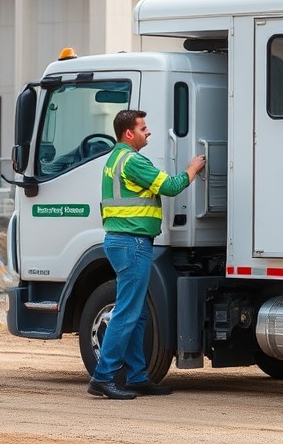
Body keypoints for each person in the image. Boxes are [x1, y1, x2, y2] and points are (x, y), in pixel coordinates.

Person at [87, 109, 206, 400]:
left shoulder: (114, 159)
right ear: (129, 133)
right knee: (127, 313)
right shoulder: (133, 161)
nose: (148, 132)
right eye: (143, 128)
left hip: (121, 241)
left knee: (137, 313)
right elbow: (170, 186)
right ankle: (102, 377)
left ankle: (138, 376)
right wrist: (193, 168)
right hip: (133, 243)